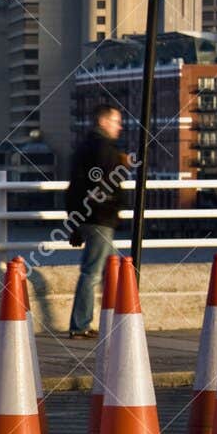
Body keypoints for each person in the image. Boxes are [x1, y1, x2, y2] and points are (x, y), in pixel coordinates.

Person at [65, 103, 132, 338]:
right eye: (116, 122)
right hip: (100, 218)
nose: (119, 127)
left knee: (108, 269)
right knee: (93, 272)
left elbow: (75, 186)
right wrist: (120, 167)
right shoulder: (104, 148)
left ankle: (112, 318)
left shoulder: (84, 147)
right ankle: (80, 325)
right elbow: (105, 183)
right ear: (103, 122)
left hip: (87, 216)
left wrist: (74, 223)